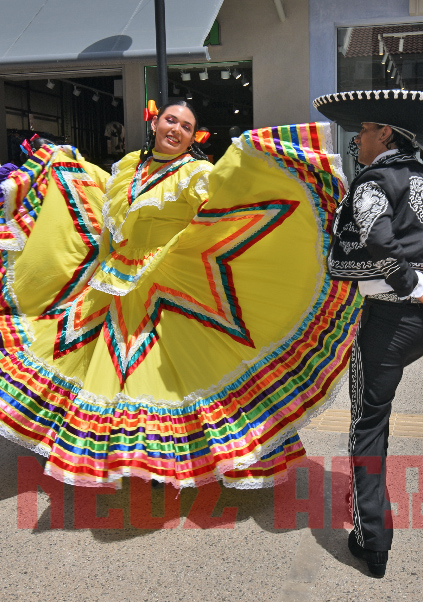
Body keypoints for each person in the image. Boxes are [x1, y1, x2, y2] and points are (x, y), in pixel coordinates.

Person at [0, 103, 362, 489]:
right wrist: (64, 160)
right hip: (119, 281)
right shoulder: (127, 167)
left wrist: (249, 155)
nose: (175, 129)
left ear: (194, 137)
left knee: (173, 375)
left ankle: (172, 460)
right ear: (155, 123)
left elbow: (225, 209)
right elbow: (107, 199)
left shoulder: (197, 173)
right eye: (170, 120)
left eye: (186, 127)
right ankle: (138, 458)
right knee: (119, 373)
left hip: (175, 282)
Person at [313, 89, 423, 577]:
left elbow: (375, 237)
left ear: (384, 133)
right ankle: (372, 518)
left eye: (363, 130)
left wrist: (411, 287)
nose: (358, 139)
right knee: (377, 414)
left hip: (390, 317)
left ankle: (372, 541)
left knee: (367, 423)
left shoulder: (373, 182)